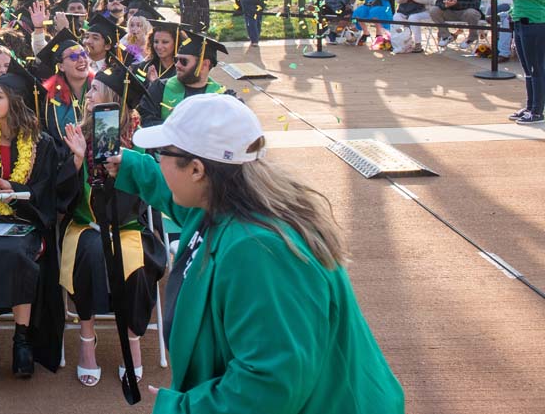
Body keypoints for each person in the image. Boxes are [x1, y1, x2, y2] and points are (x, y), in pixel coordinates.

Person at [108, 93, 404, 413]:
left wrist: (182, 409)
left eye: (161, 153)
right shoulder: (230, 203)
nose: (158, 160)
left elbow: (269, 383)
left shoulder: (260, 252)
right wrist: (131, 166)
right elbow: (174, 196)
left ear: (196, 170)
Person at [0, 57, 79, 379]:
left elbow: (47, 192)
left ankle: (22, 340)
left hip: (25, 224)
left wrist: (15, 191)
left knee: (19, 251)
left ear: (16, 102)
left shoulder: (40, 144)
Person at [58, 58, 166, 387]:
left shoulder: (139, 140)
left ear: (112, 99)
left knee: (134, 266)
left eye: (95, 89)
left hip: (128, 226)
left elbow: (143, 199)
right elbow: (61, 194)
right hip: (86, 225)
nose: (88, 95)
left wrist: (119, 168)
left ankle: (131, 341)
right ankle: (86, 338)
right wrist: (77, 160)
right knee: (91, 253)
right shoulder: (79, 134)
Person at [471, 0, 545, 123]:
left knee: (536, 68)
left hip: (535, 22)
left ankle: (537, 111)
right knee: (527, 68)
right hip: (520, 20)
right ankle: (530, 107)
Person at [136, 30, 229, 127]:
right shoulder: (160, 88)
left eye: (184, 61)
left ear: (204, 64)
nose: (177, 65)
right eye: (176, 60)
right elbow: (146, 119)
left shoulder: (222, 96)